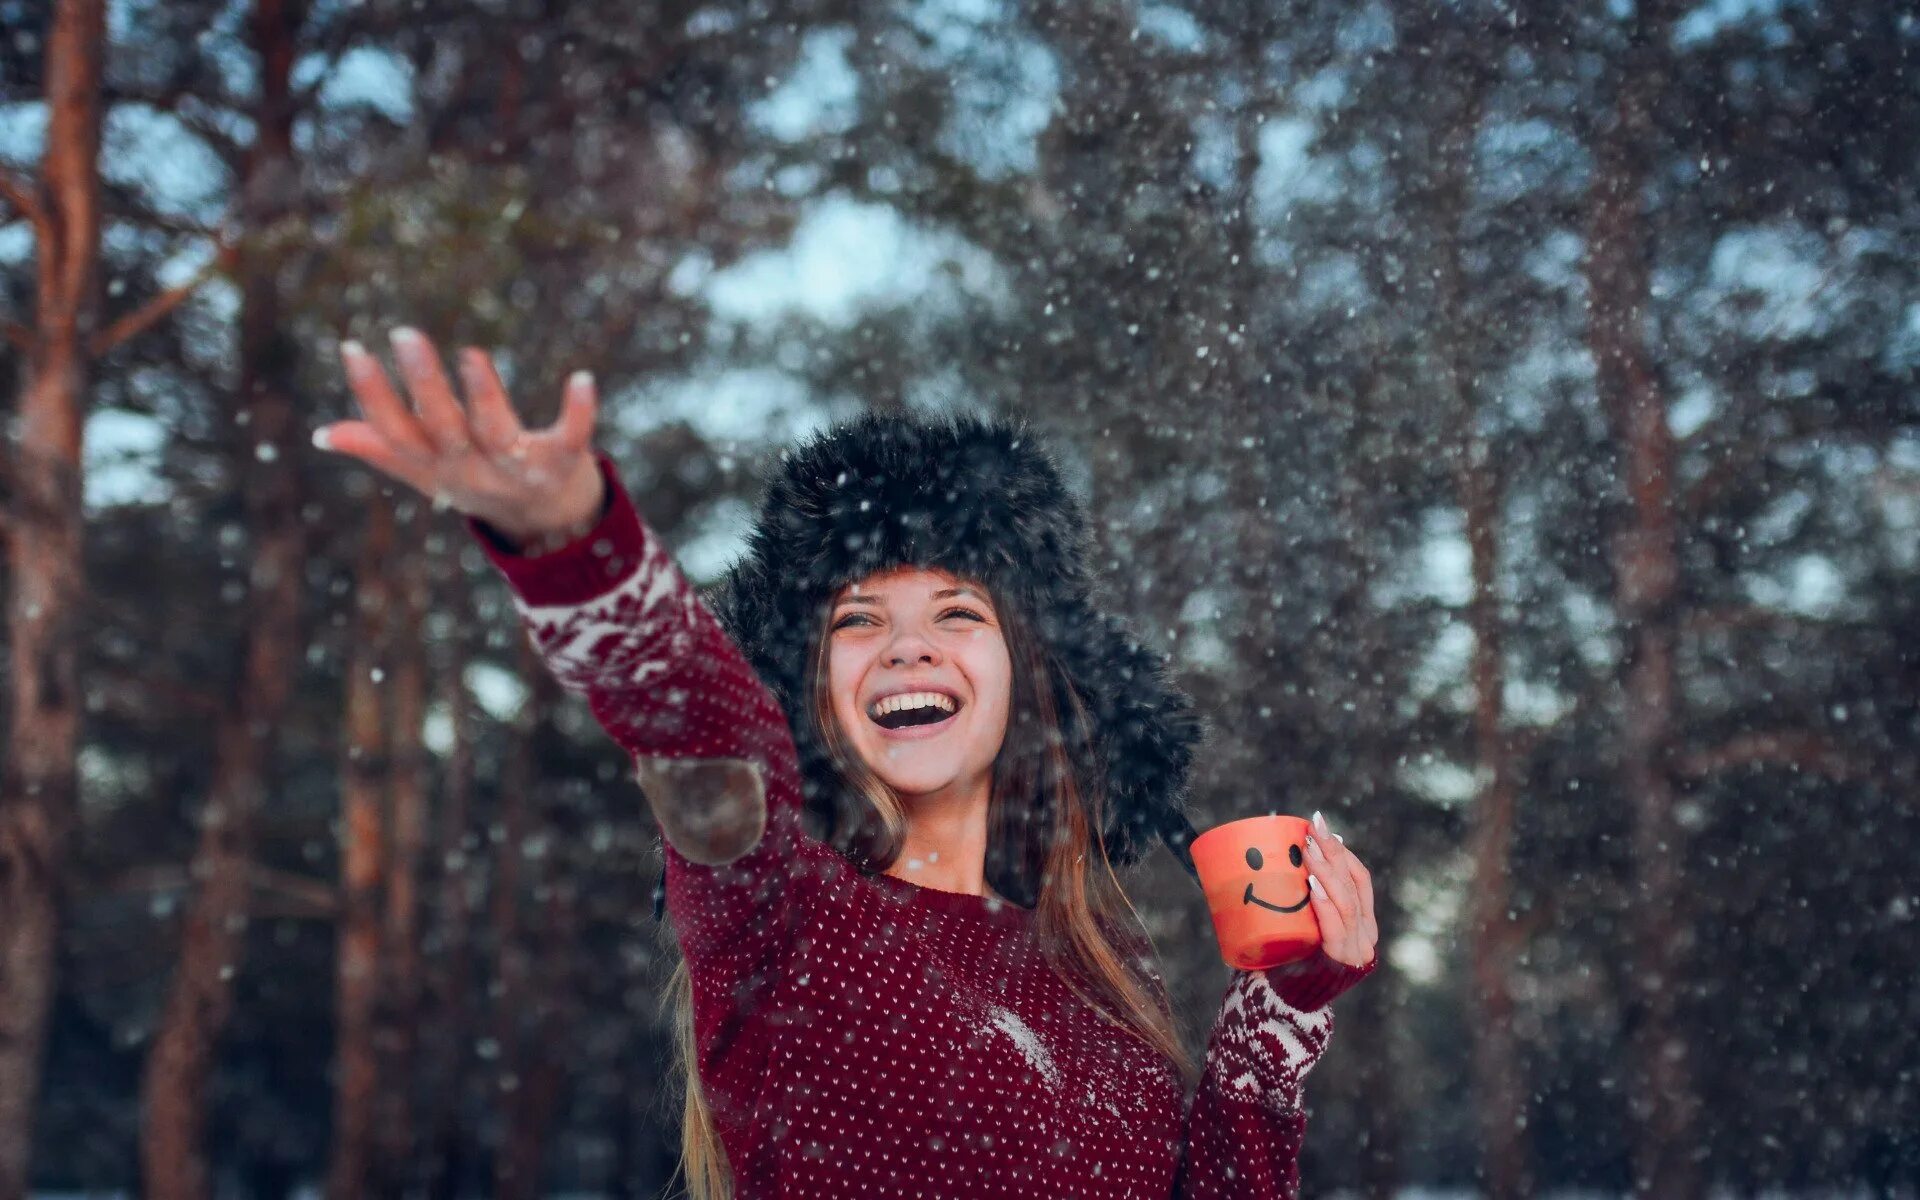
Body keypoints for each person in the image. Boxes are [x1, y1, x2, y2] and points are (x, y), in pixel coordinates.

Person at [314, 327, 1381, 1199]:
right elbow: (702, 736)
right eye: (858, 619)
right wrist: (578, 549)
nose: (909, 645)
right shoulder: (773, 908)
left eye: (957, 612)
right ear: (814, 686)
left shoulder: (1097, 958)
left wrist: (1282, 1009)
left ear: (1025, 678)